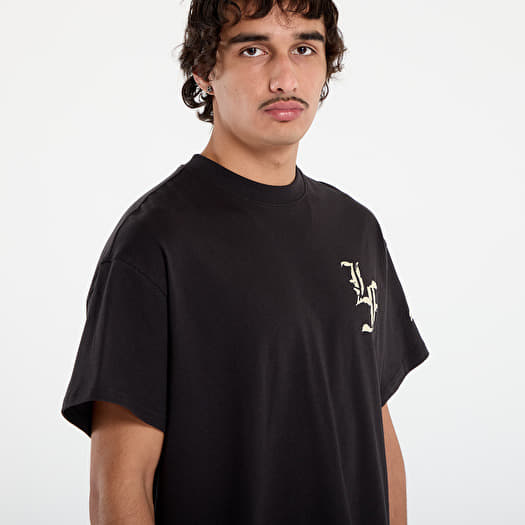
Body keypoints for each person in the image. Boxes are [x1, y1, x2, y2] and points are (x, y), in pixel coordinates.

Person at [61, 1, 430, 524]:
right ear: (204, 70)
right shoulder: (154, 242)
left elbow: (376, 428)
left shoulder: (357, 228)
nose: (285, 79)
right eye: (254, 50)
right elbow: (119, 483)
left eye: (304, 49)